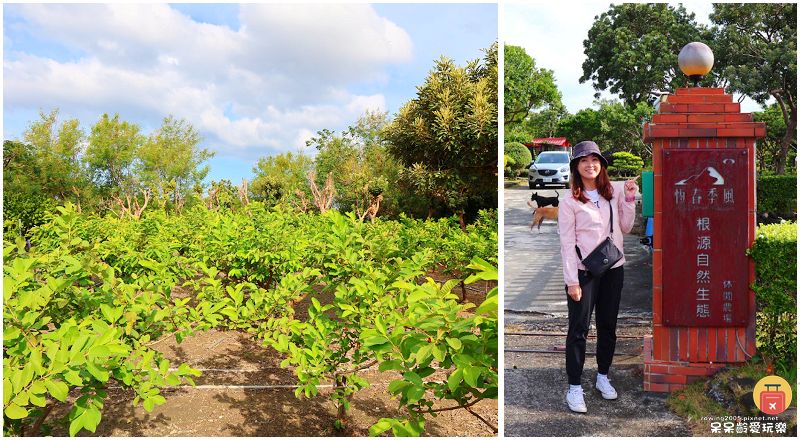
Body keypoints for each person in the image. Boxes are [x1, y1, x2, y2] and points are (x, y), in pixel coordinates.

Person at [557, 140, 638, 413]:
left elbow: (625, 227)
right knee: (579, 329)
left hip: (614, 269)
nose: (590, 164)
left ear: (601, 165)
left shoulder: (612, 192)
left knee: (608, 326)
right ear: (576, 168)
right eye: (584, 161)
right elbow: (567, 244)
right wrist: (572, 281)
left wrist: (629, 198)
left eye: (595, 160)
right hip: (584, 272)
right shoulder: (569, 201)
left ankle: (603, 376)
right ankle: (575, 387)